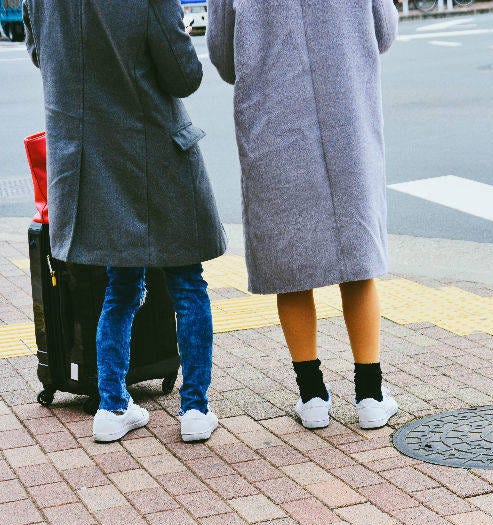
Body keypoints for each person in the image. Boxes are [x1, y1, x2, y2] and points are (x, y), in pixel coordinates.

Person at [23, 0, 226, 442]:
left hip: (91, 161)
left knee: (121, 286)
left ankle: (112, 406)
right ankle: (194, 409)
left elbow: (42, 56)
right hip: (154, 152)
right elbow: (184, 76)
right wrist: (180, 28)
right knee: (187, 281)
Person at [208, 0, 400, 429]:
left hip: (274, 123)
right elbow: (384, 33)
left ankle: (312, 396)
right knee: (357, 256)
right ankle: (370, 394)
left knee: (289, 262)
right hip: (346, 115)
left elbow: (222, 57)